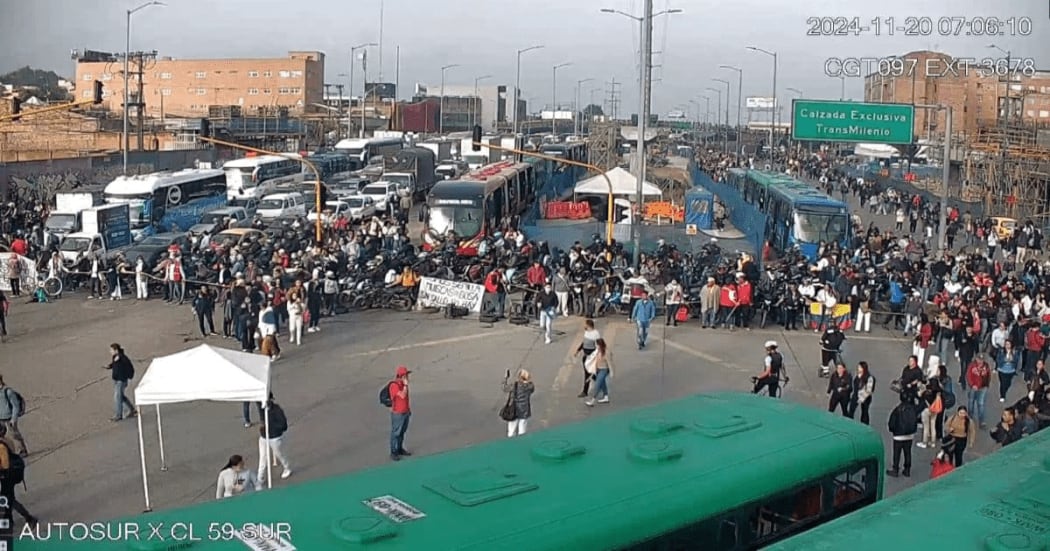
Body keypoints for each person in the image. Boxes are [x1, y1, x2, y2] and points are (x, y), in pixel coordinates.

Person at [0, 424, 36, 527]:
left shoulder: (1, 446)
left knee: (9, 498)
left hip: (7, 476)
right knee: (8, 498)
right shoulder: (7, 440)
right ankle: (9, 520)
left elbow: (5, 464)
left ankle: (28, 518)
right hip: (11, 474)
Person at [257, 394, 292, 485]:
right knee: (263, 458)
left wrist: (270, 426)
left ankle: (287, 467)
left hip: (275, 437)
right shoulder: (261, 408)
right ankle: (260, 477)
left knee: (279, 454)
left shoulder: (277, 410)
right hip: (264, 437)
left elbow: (284, 426)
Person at [886, 394, 918, 478]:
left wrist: (893, 430)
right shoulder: (912, 409)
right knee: (907, 452)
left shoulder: (897, 409)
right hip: (909, 435)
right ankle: (907, 469)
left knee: (897, 453)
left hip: (898, 435)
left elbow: (892, 423)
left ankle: (895, 469)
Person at [102, 344, 136, 422]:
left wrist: (129, 376)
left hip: (121, 380)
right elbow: (115, 364)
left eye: (111, 350)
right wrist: (109, 366)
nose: (110, 352)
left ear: (116, 350)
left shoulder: (122, 357)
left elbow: (128, 366)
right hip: (116, 379)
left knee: (117, 397)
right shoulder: (115, 357)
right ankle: (132, 410)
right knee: (121, 396)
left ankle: (118, 415)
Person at [502, 369, 535, 437]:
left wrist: (506, 378)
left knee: (511, 431)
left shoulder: (515, 385)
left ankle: (511, 444)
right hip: (525, 410)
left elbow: (504, 388)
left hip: (514, 410)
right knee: (522, 431)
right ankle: (521, 444)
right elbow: (531, 389)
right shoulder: (530, 386)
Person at [388, 366, 412, 461]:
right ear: (402, 376)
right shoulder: (394, 385)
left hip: (405, 412)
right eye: (406, 375)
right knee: (396, 433)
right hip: (398, 414)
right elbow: (402, 395)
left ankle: (400, 448)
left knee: (402, 432)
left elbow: (406, 399)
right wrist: (405, 385)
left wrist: (408, 410)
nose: (408, 378)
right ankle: (393, 452)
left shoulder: (403, 385)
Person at [574, 319, 601, 398]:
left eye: (585, 324)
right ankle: (600, 382)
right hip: (585, 356)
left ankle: (585, 391)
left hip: (591, 357)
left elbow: (599, 345)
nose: (583, 326)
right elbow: (584, 343)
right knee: (590, 373)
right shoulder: (586, 333)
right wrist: (578, 350)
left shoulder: (596, 334)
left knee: (588, 374)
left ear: (588, 325)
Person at [966, 353, 992, 429]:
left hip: (983, 387)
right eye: (979, 359)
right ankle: (969, 418)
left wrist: (987, 385)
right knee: (971, 402)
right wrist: (972, 385)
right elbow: (968, 375)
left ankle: (982, 421)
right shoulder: (972, 365)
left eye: (982, 360)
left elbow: (989, 375)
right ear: (976, 359)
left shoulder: (986, 366)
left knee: (981, 404)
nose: (980, 361)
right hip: (973, 387)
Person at [585, 338, 613, 406]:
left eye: (596, 344)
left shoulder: (606, 352)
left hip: (604, 370)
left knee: (597, 385)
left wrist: (611, 372)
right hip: (598, 370)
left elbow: (609, 363)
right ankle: (606, 396)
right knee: (602, 383)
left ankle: (592, 401)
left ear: (600, 345)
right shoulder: (597, 351)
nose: (595, 346)